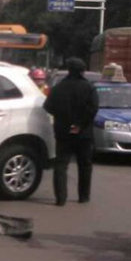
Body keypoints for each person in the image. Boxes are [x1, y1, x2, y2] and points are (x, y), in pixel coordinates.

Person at [43, 57, 99, 206]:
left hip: (63, 131)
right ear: (82, 71)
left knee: (61, 165)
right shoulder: (89, 88)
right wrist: (79, 124)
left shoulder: (58, 88)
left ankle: (61, 198)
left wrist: (62, 117)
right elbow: (93, 109)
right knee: (85, 165)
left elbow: (47, 106)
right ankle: (83, 196)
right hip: (83, 133)